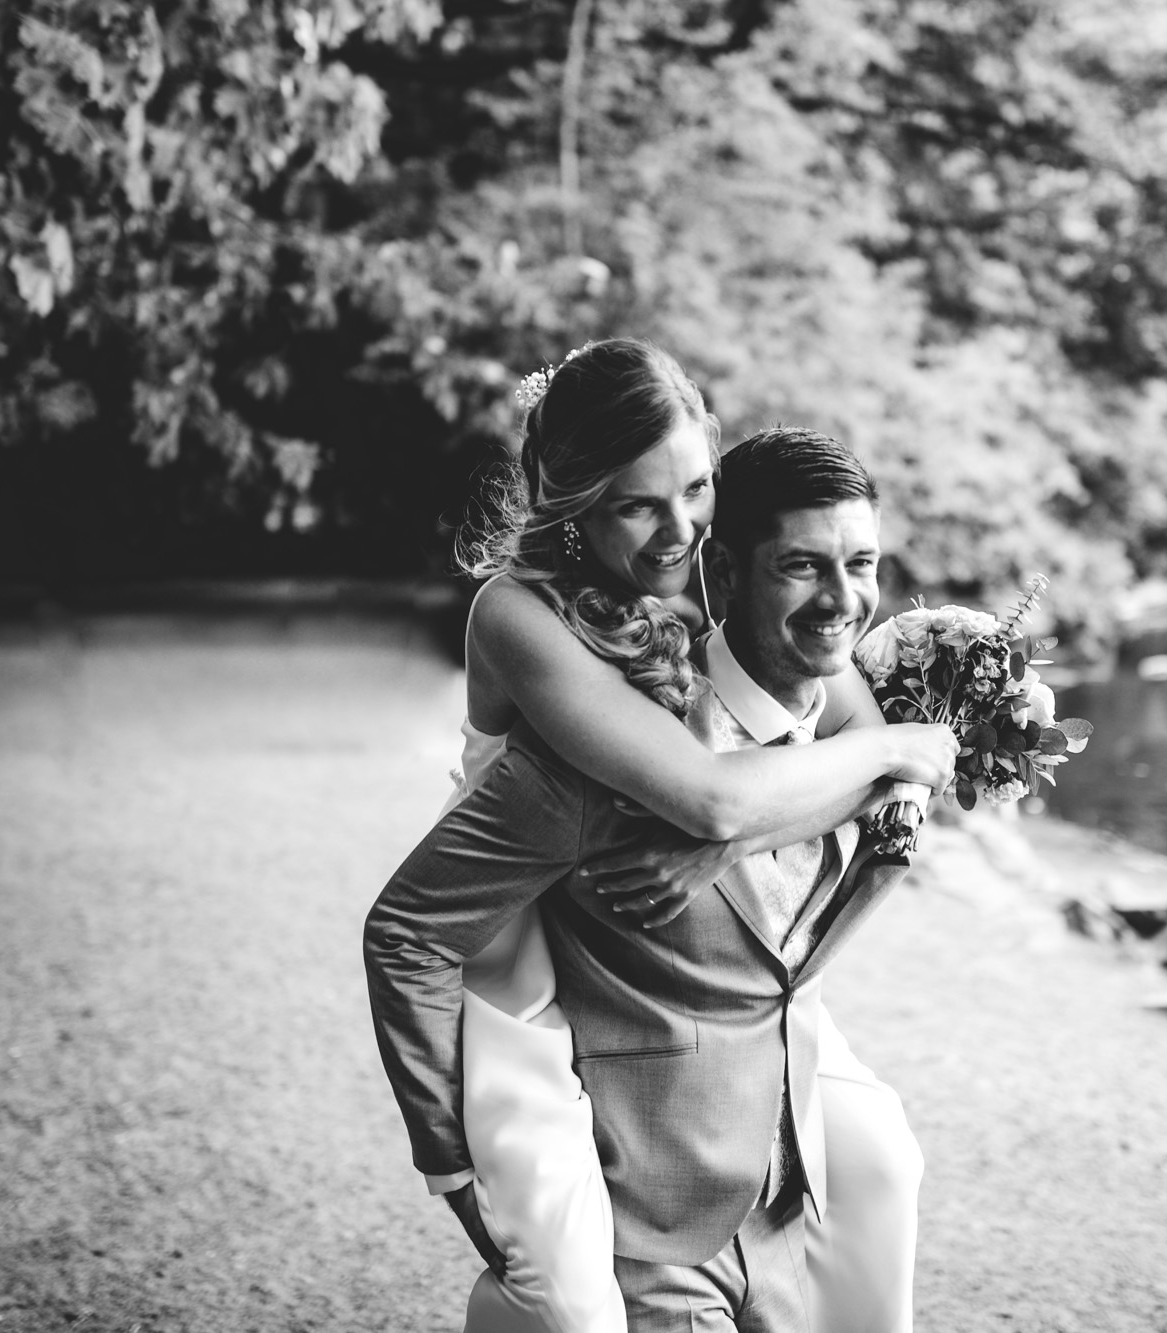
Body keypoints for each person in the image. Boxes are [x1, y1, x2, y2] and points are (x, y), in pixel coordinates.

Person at [377, 339, 954, 1332]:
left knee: (875, 1158)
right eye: (638, 503)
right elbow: (715, 798)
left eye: (694, 490)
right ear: (571, 500)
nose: (678, 528)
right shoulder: (516, 614)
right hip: (517, 954)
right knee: (562, 1292)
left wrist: (735, 839)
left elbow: (816, 765)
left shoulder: (686, 563)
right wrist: (448, 1162)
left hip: (653, 908)